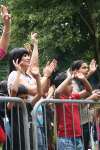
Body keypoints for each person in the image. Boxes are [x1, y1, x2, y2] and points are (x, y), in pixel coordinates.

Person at [54, 71, 99, 150]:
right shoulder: (59, 98)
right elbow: (57, 92)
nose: (72, 86)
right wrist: (68, 78)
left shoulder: (73, 96)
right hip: (65, 138)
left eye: (72, 83)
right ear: (62, 85)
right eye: (69, 84)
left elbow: (89, 91)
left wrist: (83, 79)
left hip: (77, 136)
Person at [70, 59, 97, 150]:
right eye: (84, 68)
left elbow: (83, 82)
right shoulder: (72, 84)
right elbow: (77, 105)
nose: (87, 70)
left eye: (87, 68)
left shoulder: (80, 82)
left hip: (85, 122)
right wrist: (91, 98)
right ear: (76, 71)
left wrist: (92, 72)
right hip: (79, 124)